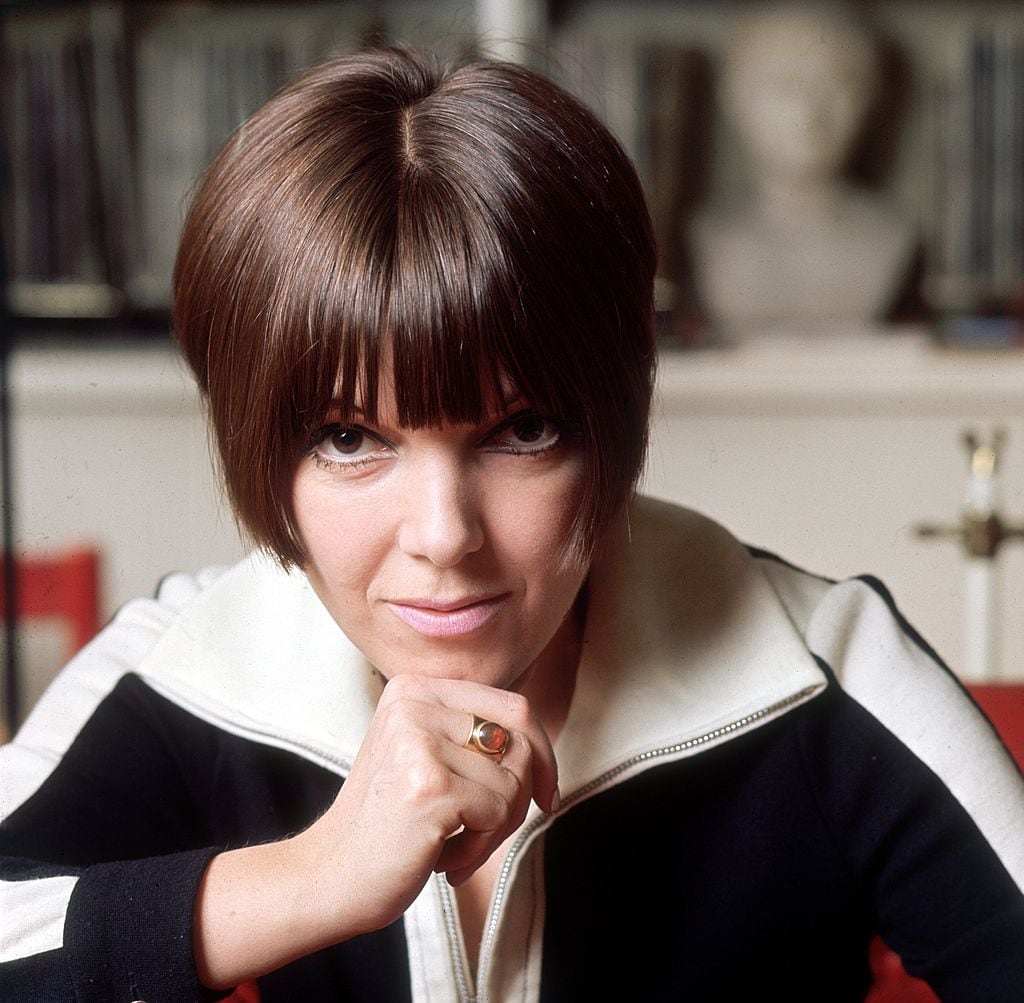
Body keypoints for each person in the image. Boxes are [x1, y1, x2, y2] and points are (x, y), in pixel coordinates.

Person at [2, 47, 1022, 1003]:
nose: (443, 534)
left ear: (613, 425)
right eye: (350, 438)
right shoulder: (196, 662)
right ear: (261, 450)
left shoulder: (823, 667)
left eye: (521, 429)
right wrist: (320, 874)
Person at [689, 2, 917, 336]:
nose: (810, 113)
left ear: (870, 100)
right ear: (734, 96)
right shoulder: (704, 236)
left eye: (835, 85)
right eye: (784, 85)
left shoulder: (895, 235)